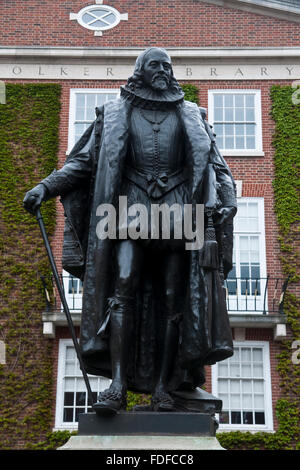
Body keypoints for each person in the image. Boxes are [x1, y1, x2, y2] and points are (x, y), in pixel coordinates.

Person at [24, 47, 237, 416]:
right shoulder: (114, 113)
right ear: (140, 70)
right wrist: (45, 186)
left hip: (178, 213)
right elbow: (81, 163)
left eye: (167, 66)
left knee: (174, 298)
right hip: (126, 212)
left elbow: (217, 166)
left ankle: (163, 388)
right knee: (121, 288)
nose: (163, 71)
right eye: (155, 65)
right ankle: (118, 384)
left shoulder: (192, 115)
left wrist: (228, 199)